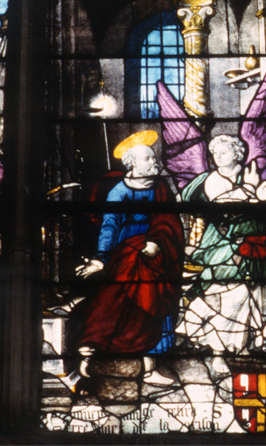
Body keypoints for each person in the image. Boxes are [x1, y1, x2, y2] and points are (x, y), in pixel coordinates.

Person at [71, 139, 184, 385]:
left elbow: (170, 221)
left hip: (157, 255)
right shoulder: (118, 192)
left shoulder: (160, 187)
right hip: (126, 254)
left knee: (155, 303)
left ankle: (150, 368)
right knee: (120, 305)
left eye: (154, 158)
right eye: (148, 159)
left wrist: (158, 241)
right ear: (132, 163)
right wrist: (102, 258)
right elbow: (109, 226)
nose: (154, 162)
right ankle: (93, 355)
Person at [177, 135, 266, 355]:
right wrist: (253, 193)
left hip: (254, 239)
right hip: (220, 242)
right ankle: (217, 342)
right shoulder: (213, 179)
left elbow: (264, 201)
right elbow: (225, 210)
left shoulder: (251, 173)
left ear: (237, 154)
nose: (218, 157)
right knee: (230, 289)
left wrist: (261, 199)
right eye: (215, 153)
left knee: (255, 288)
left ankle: (252, 339)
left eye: (224, 152)